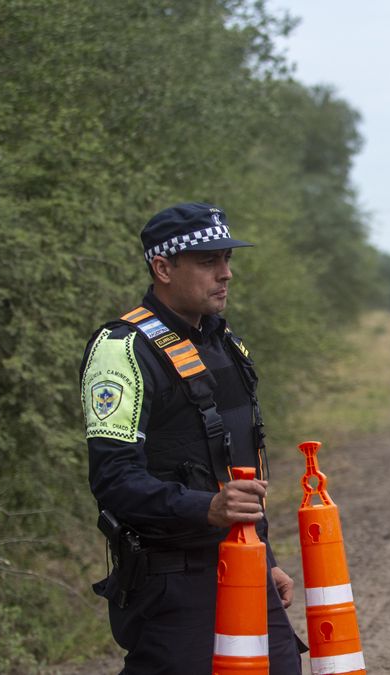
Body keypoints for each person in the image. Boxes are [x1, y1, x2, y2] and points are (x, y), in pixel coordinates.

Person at [81, 202, 303, 674]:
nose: (225, 274)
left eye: (227, 259)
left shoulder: (224, 342)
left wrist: (266, 557)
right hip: (173, 584)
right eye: (208, 261)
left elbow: (235, 468)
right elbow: (113, 479)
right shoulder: (121, 350)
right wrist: (204, 508)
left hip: (246, 567)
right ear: (162, 267)